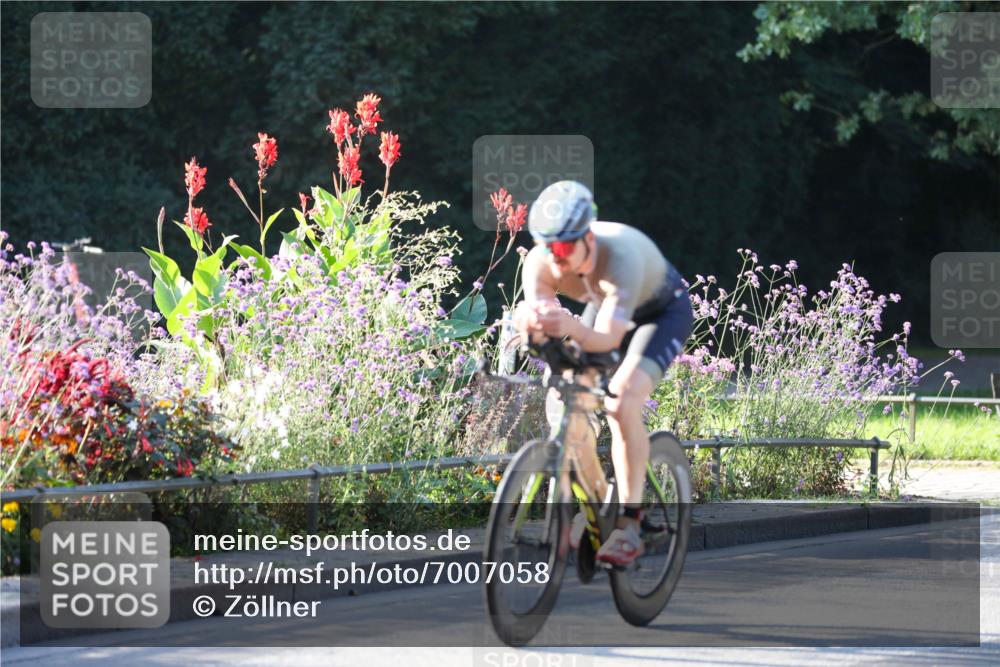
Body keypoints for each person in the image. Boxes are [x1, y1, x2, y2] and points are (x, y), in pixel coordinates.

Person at [513, 180, 693, 566]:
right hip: (603, 307)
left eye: (563, 248)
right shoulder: (541, 262)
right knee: (563, 403)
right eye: (547, 247)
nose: (555, 259)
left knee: (620, 401)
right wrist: (529, 321)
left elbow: (607, 338)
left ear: (588, 239)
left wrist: (569, 327)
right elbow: (541, 320)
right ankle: (597, 505)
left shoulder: (620, 259)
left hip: (658, 316)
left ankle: (631, 522)